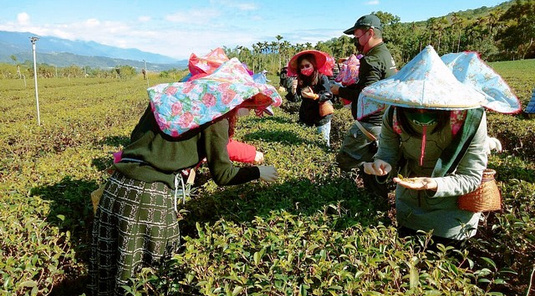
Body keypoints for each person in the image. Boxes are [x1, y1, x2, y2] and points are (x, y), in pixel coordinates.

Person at [89, 59, 280, 295]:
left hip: (116, 188)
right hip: (149, 197)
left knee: (111, 266)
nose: (245, 109)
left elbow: (136, 137)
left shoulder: (170, 98)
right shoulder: (215, 117)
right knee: (151, 273)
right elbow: (223, 174)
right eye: (246, 103)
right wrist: (258, 172)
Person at [362, 45, 490, 244]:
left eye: (431, 106)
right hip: (408, 207)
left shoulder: (470, 118)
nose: (421, 112)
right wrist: (381, 166)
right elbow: (387, 153)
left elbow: (471, 177)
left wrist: (434, 183)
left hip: (452, 217)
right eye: (414, 106)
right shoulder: (394, 113)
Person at [331, 14, 397, 197]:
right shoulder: (386, 55)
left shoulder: (371, 60)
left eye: (357, 37)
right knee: (374, 168)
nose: (355, 42)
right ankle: (374, 201)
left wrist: (340, 91)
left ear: (370, 33)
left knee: (345, 161)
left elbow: (368, 96)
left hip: (369, 123)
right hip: (383, 121)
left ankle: (344, 198)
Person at [288, 50, 335, 147]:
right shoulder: (301, 80)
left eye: (307, 65)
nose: (304, 68)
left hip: (321, 117)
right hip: (306, 116)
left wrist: (315, 96)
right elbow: (295, 99)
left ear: (313, 65)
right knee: (304, 144)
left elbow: (329, 94)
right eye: (302, 67)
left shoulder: (322, 77)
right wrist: (293, 90)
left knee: (323, 144)